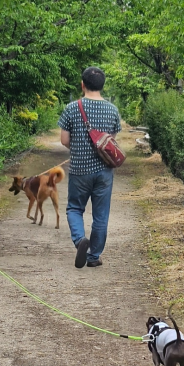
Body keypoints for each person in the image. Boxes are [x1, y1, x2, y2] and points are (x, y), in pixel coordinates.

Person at [58, 66, 122, 268]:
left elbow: (64, 140)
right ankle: (94, 257)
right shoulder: (112, 110)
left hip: (79, 170)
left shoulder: (71, 107)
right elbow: (112, 142)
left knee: (75, 208)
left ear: (82, 84)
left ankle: (80, 241)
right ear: (102, 85)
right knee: (100, 216)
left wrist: (78, 147)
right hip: (104, 171)